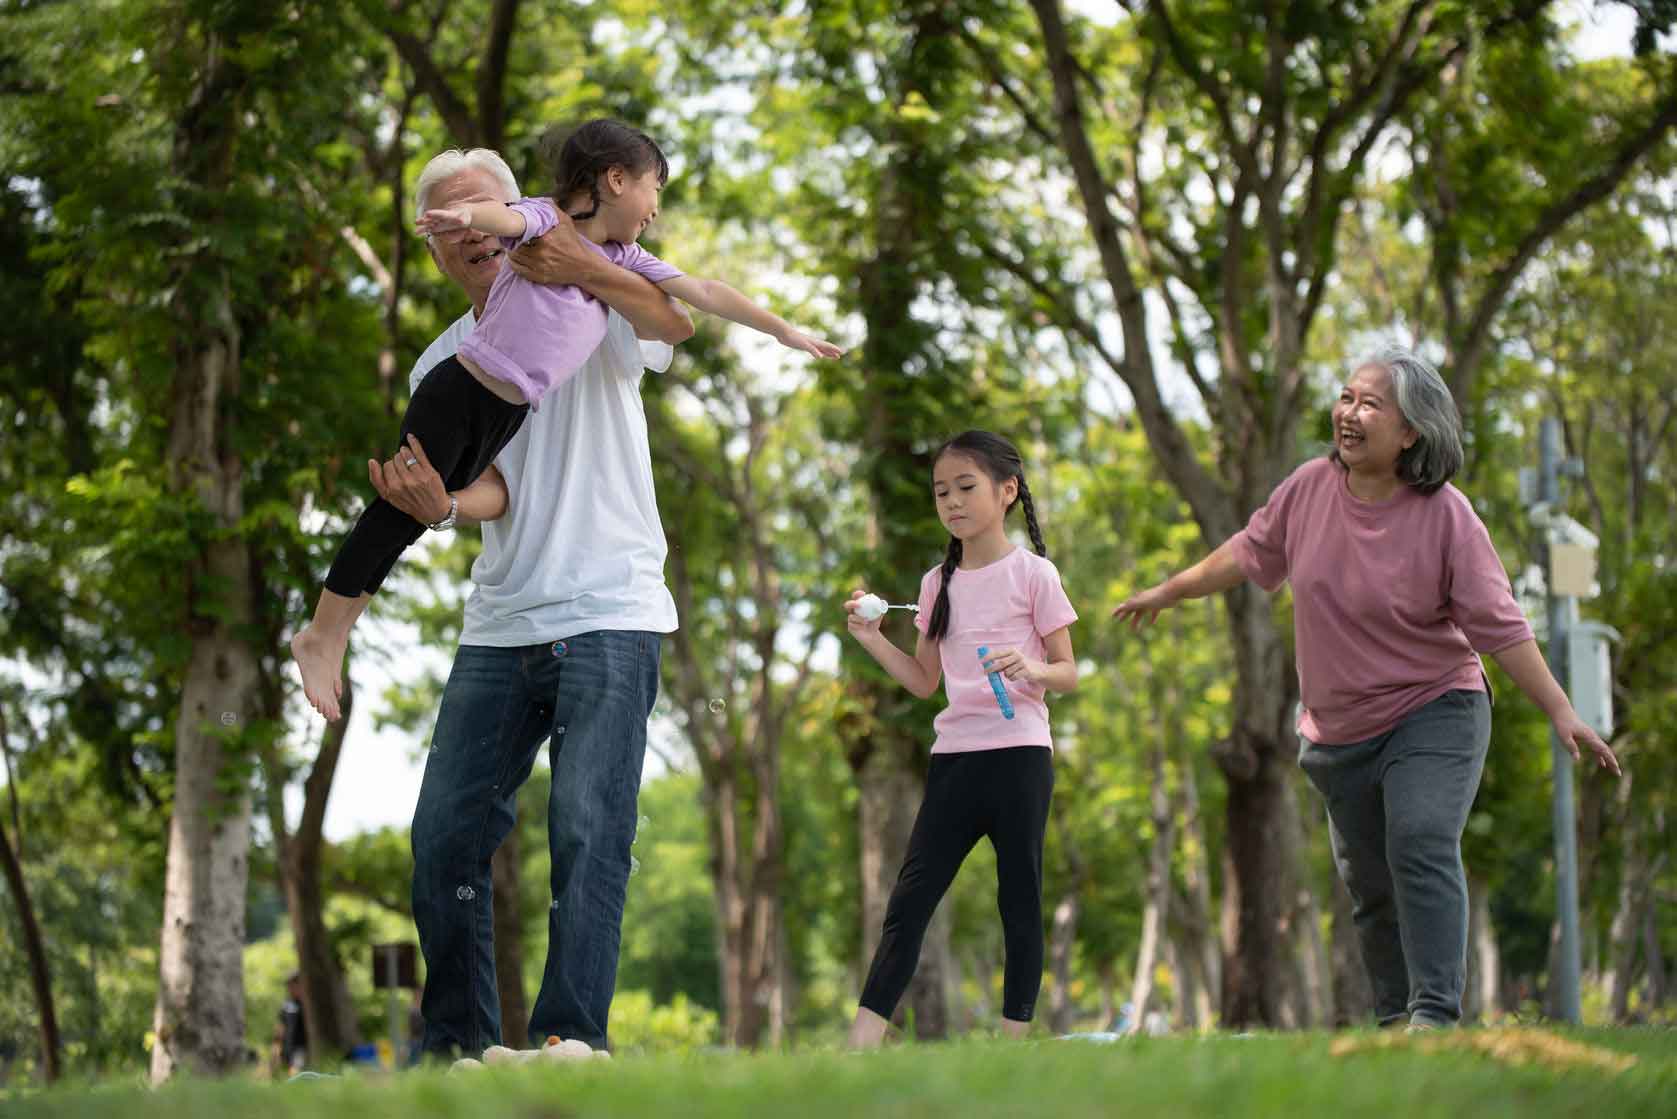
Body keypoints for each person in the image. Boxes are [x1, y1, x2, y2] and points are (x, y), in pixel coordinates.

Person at [1114, 344, 1621, 1030]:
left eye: (1369, 404)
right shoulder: (1307, 489)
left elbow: (1499, 625)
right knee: (1370, 887)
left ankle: (1435, 1013)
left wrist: (1560, 709)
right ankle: (1392, 1020)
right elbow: (1246, 550)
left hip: (1434, 707)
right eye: (1346, 397)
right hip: (1335, 732)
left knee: (1417, 836)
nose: (1348, 414)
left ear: (1409, 430)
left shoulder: (1445, 515)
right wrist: (1167, 591)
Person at [292, 118, 841, 722]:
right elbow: (508, 219)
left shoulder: (619, 265)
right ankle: (326, 631)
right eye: (653, 190)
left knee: (409, 513)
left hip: (518, 431)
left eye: (479, 202)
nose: (655, 209)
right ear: (614, 180)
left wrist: (785, 330)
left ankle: (329, 630)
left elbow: (696, 304)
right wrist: (472, 217)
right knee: (395, 515)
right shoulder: (541, 223)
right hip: (461, 392)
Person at [365, 145, 694, 1058]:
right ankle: (456, 1049)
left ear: (521, 214)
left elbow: (670, 326)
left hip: (613, 610)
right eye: (449, 219)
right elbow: (495, 489)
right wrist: (439, 505)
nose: (470, 230)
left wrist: (581, 259)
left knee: (590, 829)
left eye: (486, 210)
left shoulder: (594, 290)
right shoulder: (447, 356)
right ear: (435, 245)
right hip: (502, 623)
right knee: (442, 838)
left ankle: (568, 1038)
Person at [842, 430, 1079, 1048]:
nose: (951, 501)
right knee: (911, 900)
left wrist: (1032, 670)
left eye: (965, 487)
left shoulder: (1036, 574)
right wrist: (871, 641)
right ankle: (860, 1044)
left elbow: (1069, 671)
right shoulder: (935, 584)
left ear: (1007, 492)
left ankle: (1014, 1041)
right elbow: (924, 682)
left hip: (1022, 755)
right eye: (941, 491)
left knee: (1019, 895)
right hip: (954, 762)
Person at [277, 973, 308, 1074]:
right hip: (287, 1047)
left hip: (301, 1047)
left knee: (295, 1070)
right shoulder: (287, 1004)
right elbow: (281, 1026)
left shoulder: (307, 1005)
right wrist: (277, 1046)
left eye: (293, 986)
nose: (291, 989)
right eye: (289, 986)